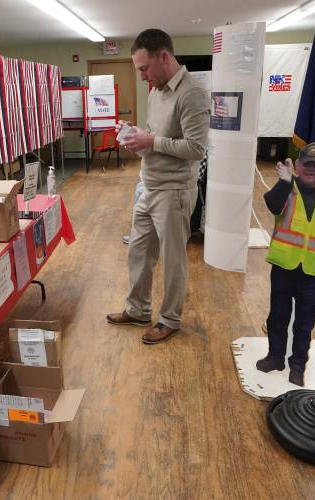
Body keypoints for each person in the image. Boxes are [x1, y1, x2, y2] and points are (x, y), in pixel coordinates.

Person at [107, 29, 210, 344]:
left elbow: (196, 148)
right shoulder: (156, 91)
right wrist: (136, 137)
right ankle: (138, 310)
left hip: (174, 191)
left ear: (164, 57)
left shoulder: (192, 94)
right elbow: (154, 134)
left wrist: (151, 140)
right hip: (148, 186)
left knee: (173, 260)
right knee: (138, 254)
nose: (142, 77)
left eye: (144, 69)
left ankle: (170, 319)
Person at [256, 142, 315, 386]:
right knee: (277, 316)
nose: (311, 169)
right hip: (284, 267)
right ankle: (275, 357)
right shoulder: (288, 188)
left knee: (304, 324)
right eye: (306, 163)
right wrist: (285, 182)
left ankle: (297, 366)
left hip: (313, 272)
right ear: (297, 165)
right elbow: (273, 205)